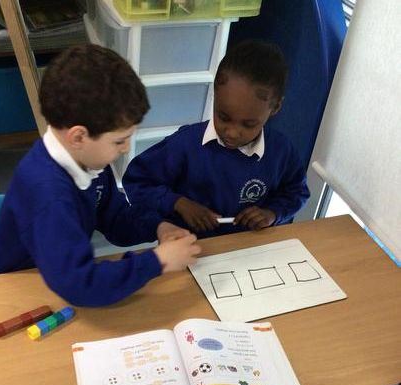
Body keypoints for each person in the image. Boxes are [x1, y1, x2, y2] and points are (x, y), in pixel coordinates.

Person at [0, 44, 200, 307]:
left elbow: (115, 218)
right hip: (10, 296)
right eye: (119, 141)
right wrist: (157, 261)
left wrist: (157, 226)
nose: (126, 148)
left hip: (52, 283)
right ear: (78, 137)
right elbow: (81, 284)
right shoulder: (49, 194)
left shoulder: (87, 160)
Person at [123, 39, 310, 238]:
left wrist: (272, 213)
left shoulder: (280, 151)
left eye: (248, 124)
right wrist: (178, 203)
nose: (232, 132)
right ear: (215, 93)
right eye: (224, 117)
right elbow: (137, 182)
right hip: (189, 246)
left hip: (252, 247)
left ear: (275, 108)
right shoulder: (185, 144)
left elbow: (297, 191)